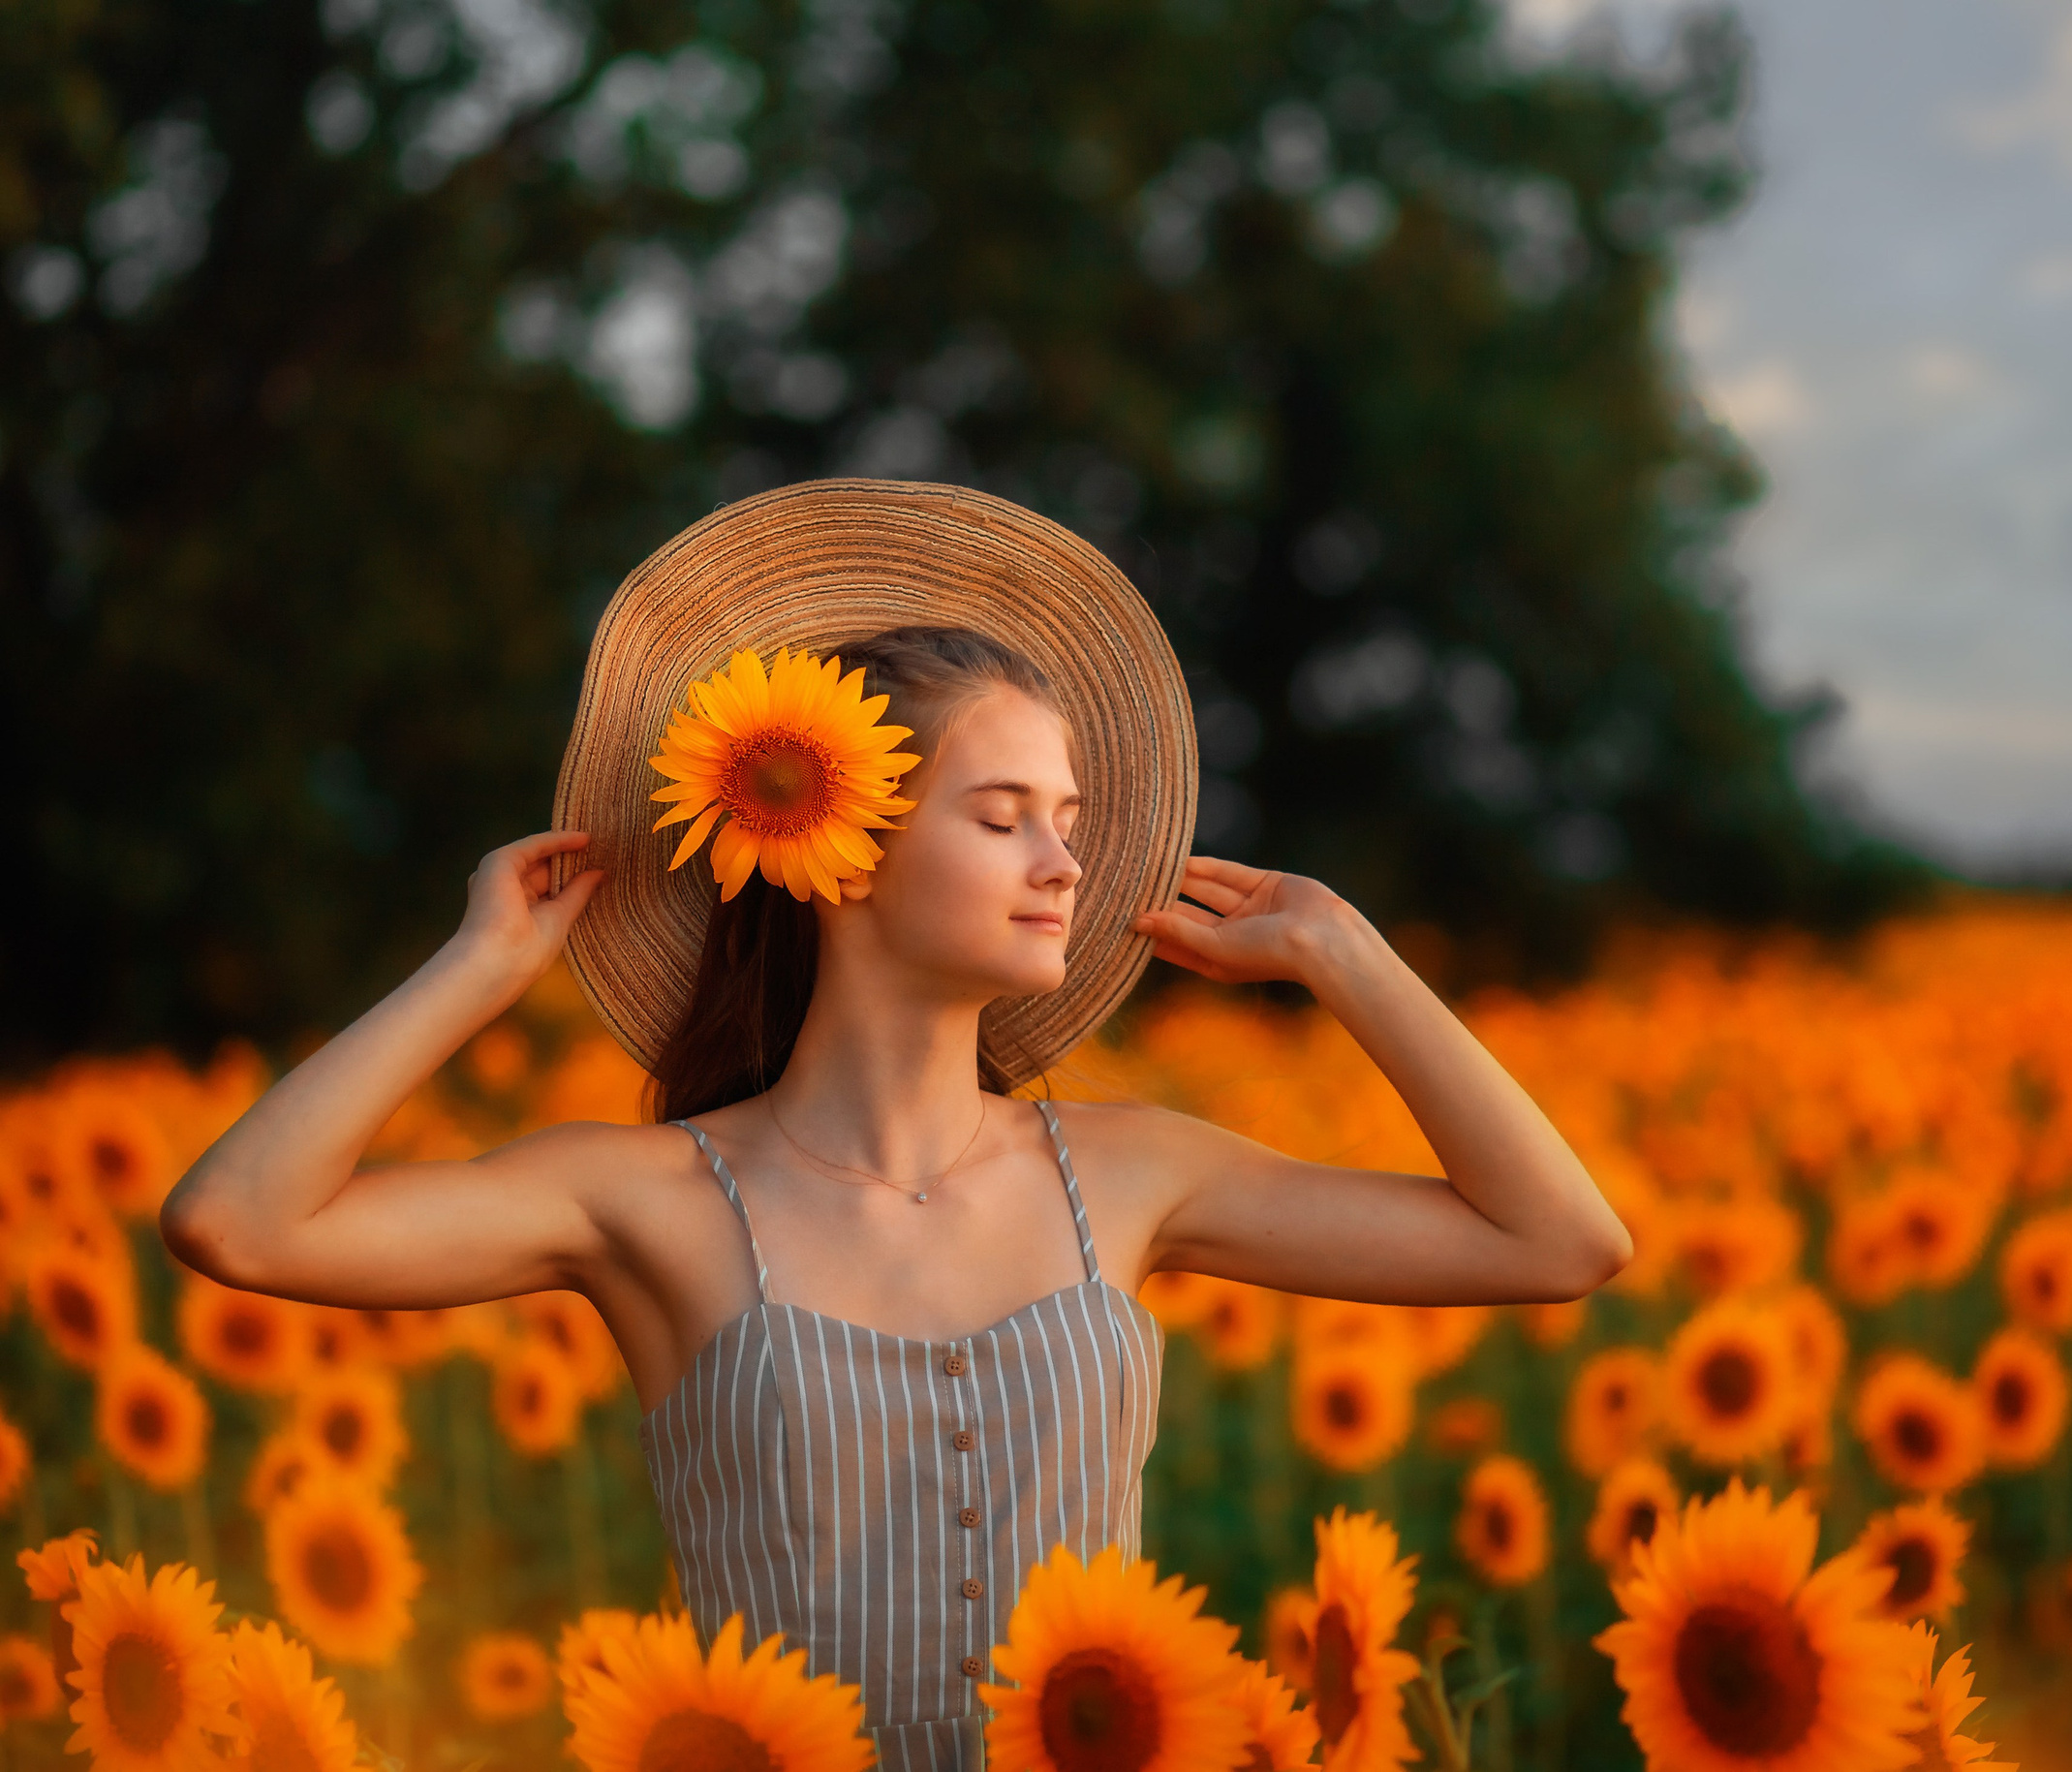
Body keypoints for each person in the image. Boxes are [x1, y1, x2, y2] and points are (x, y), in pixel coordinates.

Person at [161, 481, 1629, 1770]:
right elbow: (238, 1220)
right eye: (1004, 817)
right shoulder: (656, 1198)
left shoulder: (1129, 1172)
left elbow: (1560, 1240)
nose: (1065, 860)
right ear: (842, 844)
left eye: (1065, 814)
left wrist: (1347, 958)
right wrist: (474, 969)